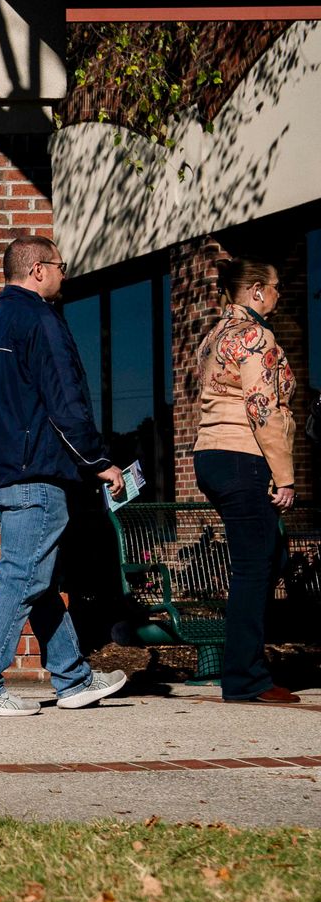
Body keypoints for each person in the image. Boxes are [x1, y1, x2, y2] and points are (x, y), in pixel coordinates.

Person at [0, 236, 130, 716]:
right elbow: (65, 401)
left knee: (40, 575)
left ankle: (72, 678)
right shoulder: (39, 320)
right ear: (37, 269)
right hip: (36, 471)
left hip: (4, 471)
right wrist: (98, 461)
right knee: (22, 574)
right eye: (60, 266)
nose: (64, 275)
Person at [192, 256, 299, 703]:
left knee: (265, 556)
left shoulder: (215, 335)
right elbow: (263, 408)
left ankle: (243, 668)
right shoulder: (255, 335)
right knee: (254, 568)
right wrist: (285, 476)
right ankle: (245, 679)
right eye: (275, 287)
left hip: (211, 455)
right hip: (243, 455)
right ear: (255, 290)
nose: (278, 295)